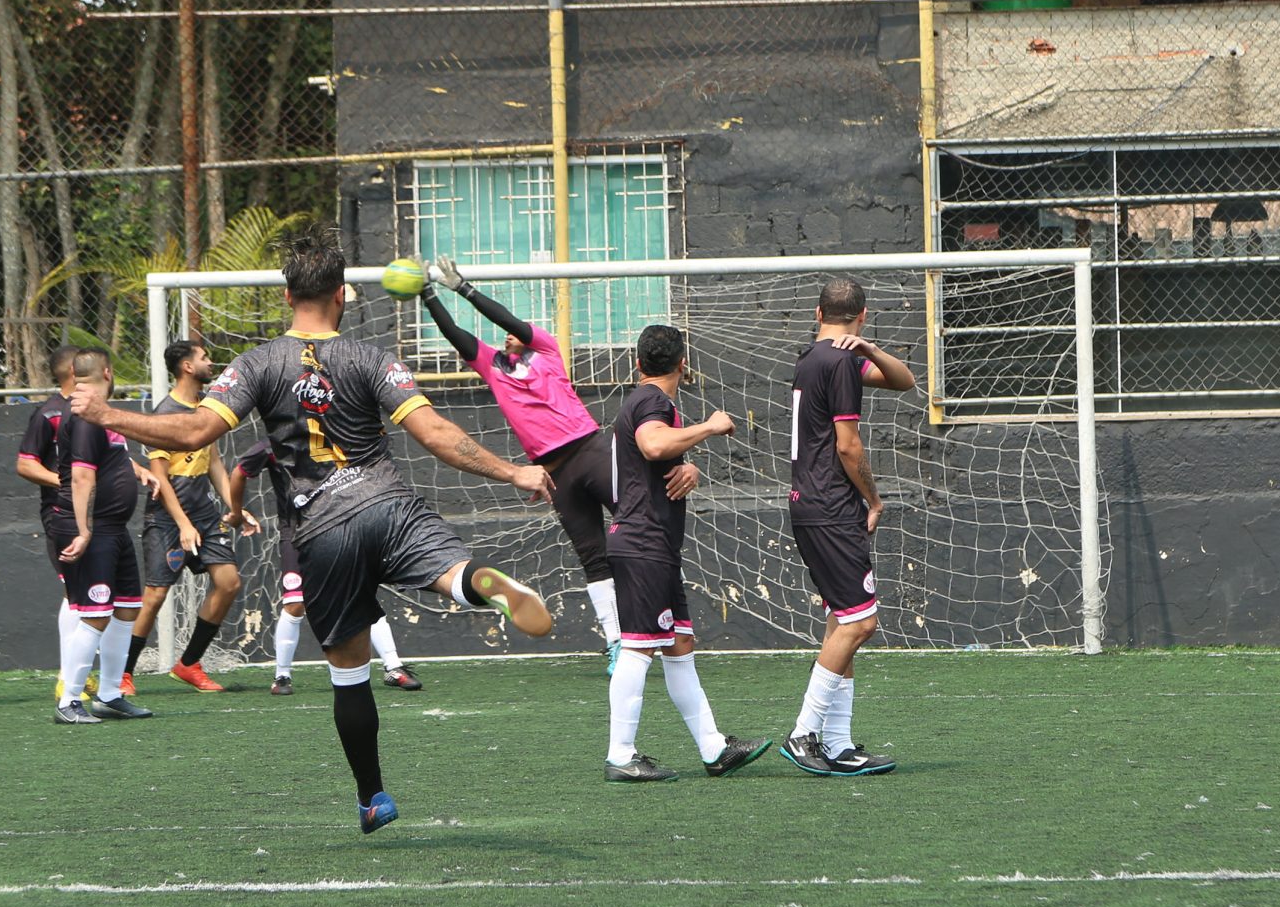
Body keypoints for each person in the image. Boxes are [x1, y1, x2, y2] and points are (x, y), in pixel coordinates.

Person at [77, 237, 555, 834]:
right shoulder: (372, 358)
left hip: (322, 532)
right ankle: (473, 584)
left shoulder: (255, 364)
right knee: (450, 571)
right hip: (388, 504)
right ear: (340, 296)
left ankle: (373, 797)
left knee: (349, 671)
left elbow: (194, 432)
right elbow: (434, 433)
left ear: (285, 296)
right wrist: (514, 471)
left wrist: (106, 415)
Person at [420, 258, 623, 670]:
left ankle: (664, 621)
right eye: (507, 333)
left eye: (517, 329)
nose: (511, 332)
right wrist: (428, 296)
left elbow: (508, 319)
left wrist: (464, 288)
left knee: (640, 529)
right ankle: (618, 641)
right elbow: (456, 335)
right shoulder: (492, 367)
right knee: (592, 557)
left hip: (591, 451)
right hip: (554, 474)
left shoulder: (546, 350)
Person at [599, 324, 768, 783]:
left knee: (678, 644)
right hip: (642, 542)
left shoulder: (644, 403)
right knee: (638, 648)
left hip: (651, 541)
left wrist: (687, 465)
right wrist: (711, 427)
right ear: (683, 364)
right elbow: (653, 444)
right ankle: (620, 755)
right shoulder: (653, 400)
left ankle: (714, 749)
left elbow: (650, 456)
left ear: (637, 363)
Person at [780, 277, 918, 777]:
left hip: (809, 503)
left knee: (843, 621)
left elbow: (905, 381)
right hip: (832, 507)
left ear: (818, 313)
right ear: (862, 314)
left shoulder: (817, 358)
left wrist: (871, 349)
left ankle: (837, 743)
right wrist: (874, 499)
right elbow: (848, 446)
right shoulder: (838, 363)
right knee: (862, 623)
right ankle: (804, 733)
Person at [230, 436, 422, 695]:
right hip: (297, 535)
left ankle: (394, 667)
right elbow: (240, 472)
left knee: (362, 598)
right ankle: (282, 676)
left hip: (341, 529)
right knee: (295, 604)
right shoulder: (272, 445)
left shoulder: (340, 436)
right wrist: (236, 512)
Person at [130, 339, 247, 693]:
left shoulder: (205, 409)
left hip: (204, 512)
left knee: (228, 583)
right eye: (204, 357)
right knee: (154, 596)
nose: (210, 362)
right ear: (186, 367)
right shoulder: (166, 413)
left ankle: (189, 664)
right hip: (168, 516)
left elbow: (213, 462)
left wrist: (237, 508)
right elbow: (160, 476)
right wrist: (182, 523)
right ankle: (121, 673)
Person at [51, 348, 158, 724]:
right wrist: (83, 530)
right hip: (94, 530)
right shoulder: (84, 415)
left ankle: (110, 694)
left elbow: (106, 460)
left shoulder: (99, 413)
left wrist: (138, 471)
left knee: (127, 608)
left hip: (114, 528)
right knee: (95, 614)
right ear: (109, 372)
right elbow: (81, 475)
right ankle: (69, 700)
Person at [16, 345, 91, 703]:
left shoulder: (90, 410)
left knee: (94, 591)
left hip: (95, 515)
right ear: (75, 372)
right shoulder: (48, 414)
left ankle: (82, 672)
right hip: (61, 515)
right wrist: (64, 482)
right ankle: (68, 676)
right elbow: (26, 464)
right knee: (75, 591)